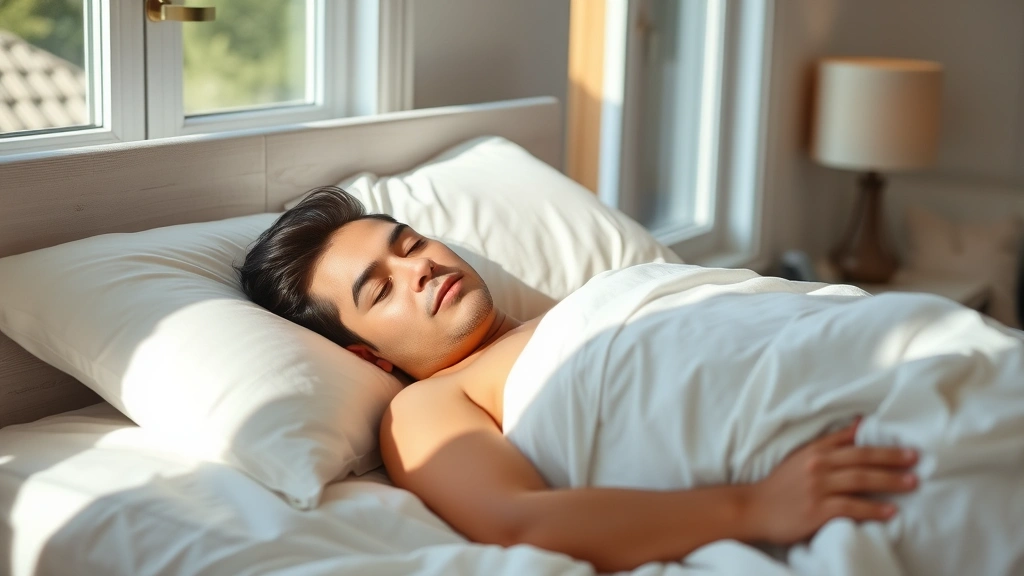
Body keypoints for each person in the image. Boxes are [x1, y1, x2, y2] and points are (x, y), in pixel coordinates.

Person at [238, 187, 919, 572]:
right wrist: (755, 507)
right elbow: (517, 521)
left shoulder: (589, 298)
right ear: (370, 357)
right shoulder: (426, 406)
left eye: (411, 245)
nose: (419, 270)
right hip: (823, 444)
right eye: (381, 289)